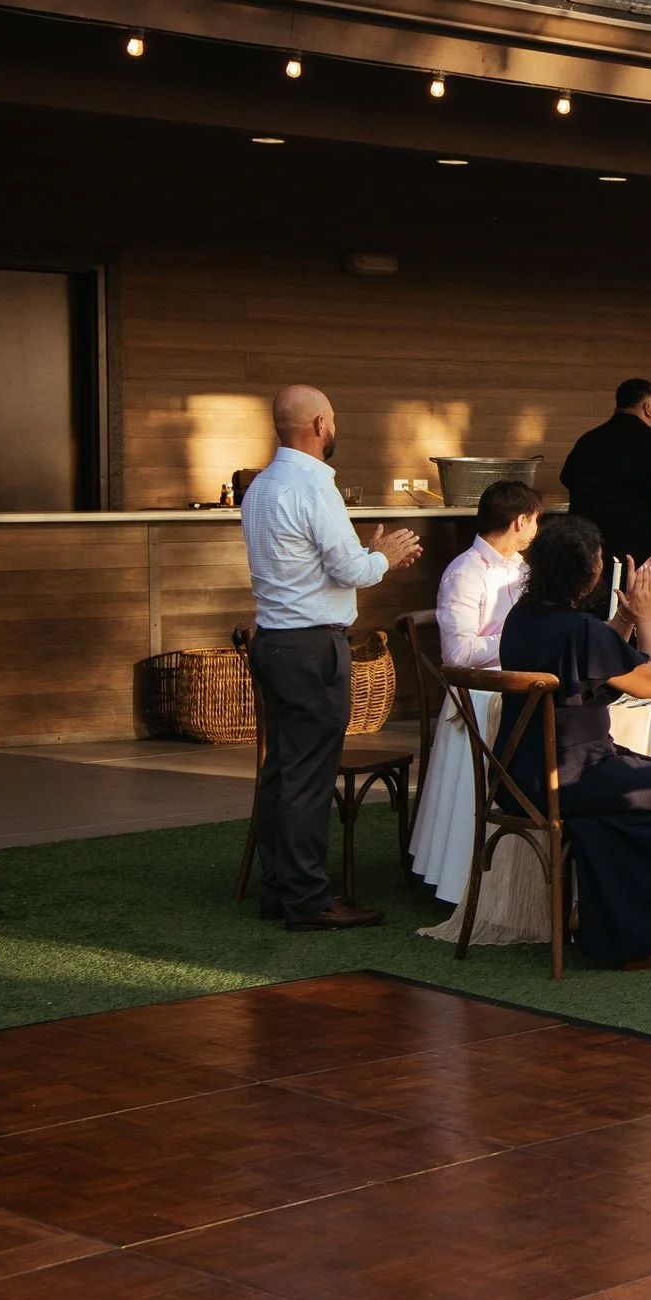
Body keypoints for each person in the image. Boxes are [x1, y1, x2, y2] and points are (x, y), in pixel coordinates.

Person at [499, 517, 651, 970]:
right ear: (586, 574)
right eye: (599, 559)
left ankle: (613, 921)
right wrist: (645, 619)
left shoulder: (523, 617)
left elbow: (599, 660)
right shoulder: (577, 629)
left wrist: (622, 618)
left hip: (519, 774)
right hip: (571, 775)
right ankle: (647, 933)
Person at [240, 384, 423, 932]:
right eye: (334, 418)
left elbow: (313, 565)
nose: (335, 427)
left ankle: (280, 888)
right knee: (309, 777)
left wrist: (367, 555)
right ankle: (308, 899)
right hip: (311, 647)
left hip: (272, 641)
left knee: (282, 771)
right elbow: (352, 572)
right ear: (319, 425)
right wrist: (382, 556)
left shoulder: (260, 486)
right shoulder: (314, 487)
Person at [560, 378, 651, 579]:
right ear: (648, 408)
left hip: (585, 545)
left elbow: (567, 479)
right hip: (637, 551)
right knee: (636, 605)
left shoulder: (588, 441)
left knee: (588, 603)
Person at [434, 479, 539, 669]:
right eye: (535, 521)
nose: (536, 529)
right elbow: (458, 654)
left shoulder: (520, 566)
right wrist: (525, 640)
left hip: (526, 682)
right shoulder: (464, 573)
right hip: (482, 689)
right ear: (521, 521)